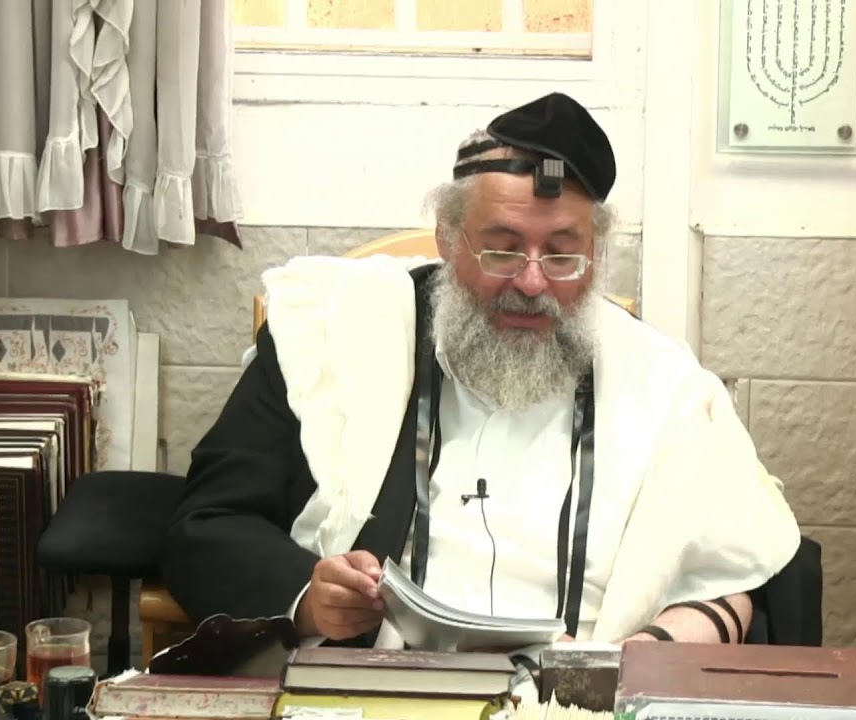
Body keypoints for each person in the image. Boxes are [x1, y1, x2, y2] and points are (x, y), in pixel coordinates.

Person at [160, 91, 801, 650]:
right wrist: (307, 596)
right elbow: (206, 525)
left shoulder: (663, 385)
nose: (531, 282)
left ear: (596, 253)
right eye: (502, 249)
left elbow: (733, 572)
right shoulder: (333, 333)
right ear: (447, 237)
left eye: (562, 256)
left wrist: (641, 654)